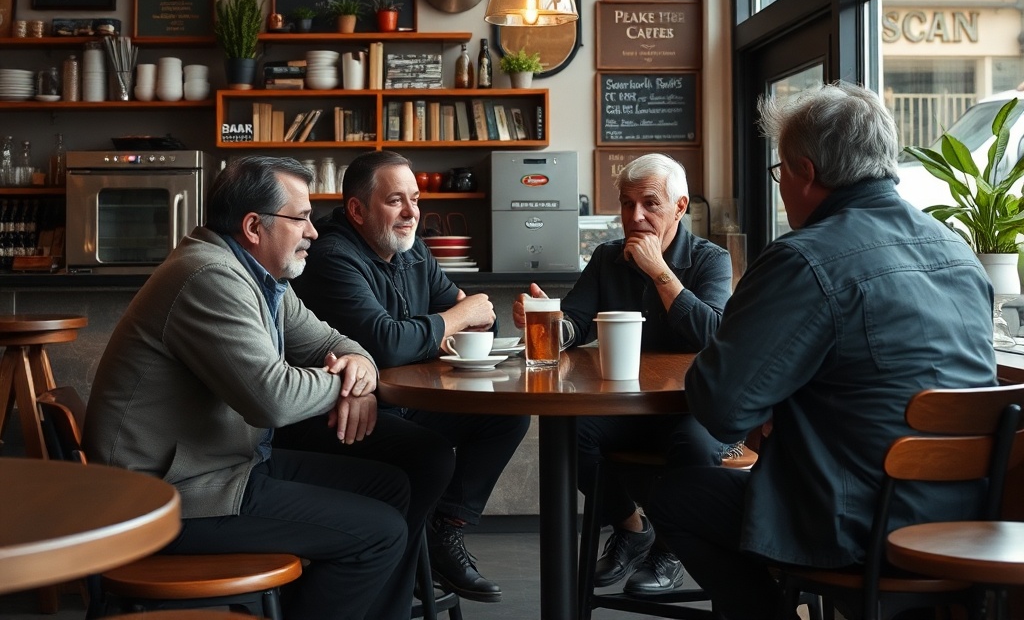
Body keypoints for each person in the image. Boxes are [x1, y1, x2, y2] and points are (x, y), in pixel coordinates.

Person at [644, 82, 998, 619]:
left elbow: (720, 406)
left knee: (678, 496)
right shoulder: (956, 250)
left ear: (805, 172)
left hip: (860, 523)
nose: (782, 186)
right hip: (969, 516)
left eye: (780, 171)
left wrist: (772, 404)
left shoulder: (805, 259)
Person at [83, 155, 454, 620]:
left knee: (392, 486)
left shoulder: (262, 277)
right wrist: (349, 383)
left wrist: (360, 366)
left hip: (225, 467)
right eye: (301, 218)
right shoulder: (209, 276)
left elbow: (333, 341)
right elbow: (272, 399)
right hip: (168, 496)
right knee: (380, 533)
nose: (314, 232)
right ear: (254, 226)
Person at [286, 150, 530, 603]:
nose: (412, 212)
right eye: (396, 200)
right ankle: (391, 564)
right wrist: (452, 318)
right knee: (432, 455)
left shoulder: (411, 246)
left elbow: (482, 321)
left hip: (398, 402)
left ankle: (443, 532)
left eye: (415, 199)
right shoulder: (332, 255)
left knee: (505, 416)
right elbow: (387, 343)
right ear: (357, 210)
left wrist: (449, 320)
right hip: (334, 413)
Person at [512, 152, 733, 595]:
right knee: (568, 435)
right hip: (627, 405)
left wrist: (660, 272)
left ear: (680, 207)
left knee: (694, 447)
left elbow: (712, 336)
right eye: (627, 204)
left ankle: (670, 550)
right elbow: (575, 321)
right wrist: (548, 323)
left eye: (650, 204)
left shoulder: (712, 260)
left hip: (692, 406)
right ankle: (634, 529)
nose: (635, 216)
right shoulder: (608, 257)